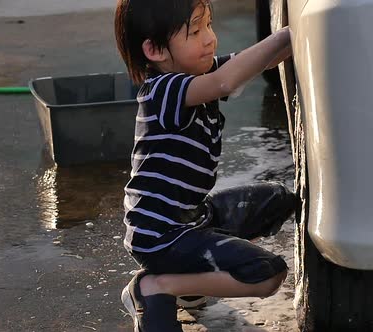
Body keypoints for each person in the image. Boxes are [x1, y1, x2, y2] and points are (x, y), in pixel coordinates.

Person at [114, 0, 295, 330]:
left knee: (278, 200)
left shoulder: (198, 72)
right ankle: (154, 287)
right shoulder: (163, 90)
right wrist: (288, 33)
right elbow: (226, 81)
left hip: (191, 217)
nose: (210, 38)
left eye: (209, 25)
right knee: (268, 274)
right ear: (155, 50)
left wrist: (307, 36)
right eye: (196, 30)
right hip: (160, 235)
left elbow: (248, 65)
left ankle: (190, 283)